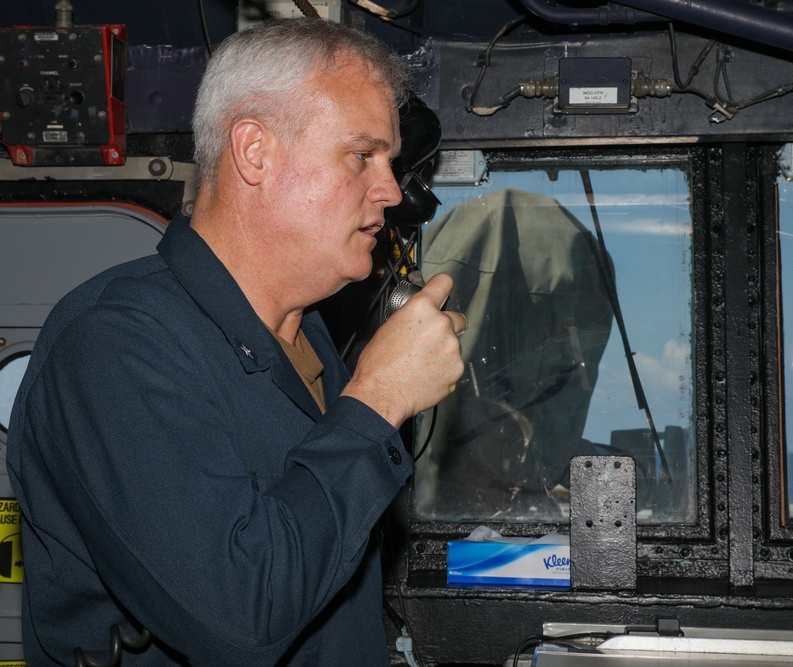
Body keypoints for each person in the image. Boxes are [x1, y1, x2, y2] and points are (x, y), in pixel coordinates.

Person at [5, 17, 466, 666]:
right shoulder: (113, 345)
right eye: (363, 155)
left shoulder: (310, 339)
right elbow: (239, 618)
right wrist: (379, 398)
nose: (390, 190)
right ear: (255, 151)